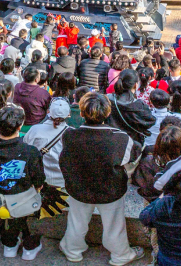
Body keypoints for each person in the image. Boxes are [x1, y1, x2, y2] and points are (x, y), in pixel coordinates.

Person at [58, 92, 145, 265]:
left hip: (79, 188)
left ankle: (73, 251)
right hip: (110, 189)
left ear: (81, 113)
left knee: (77, 222)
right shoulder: (121, 138)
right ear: (107, 113)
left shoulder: (69, 135)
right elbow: (130, 162)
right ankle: (120, 255)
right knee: (114, 225)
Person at [0, 104, 47, 260]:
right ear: (19, 127)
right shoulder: (29, 152)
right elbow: (39, 179)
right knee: (21, 218)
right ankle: (29, 248)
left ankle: (9, 245)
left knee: (6, 222)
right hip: (23, 198)